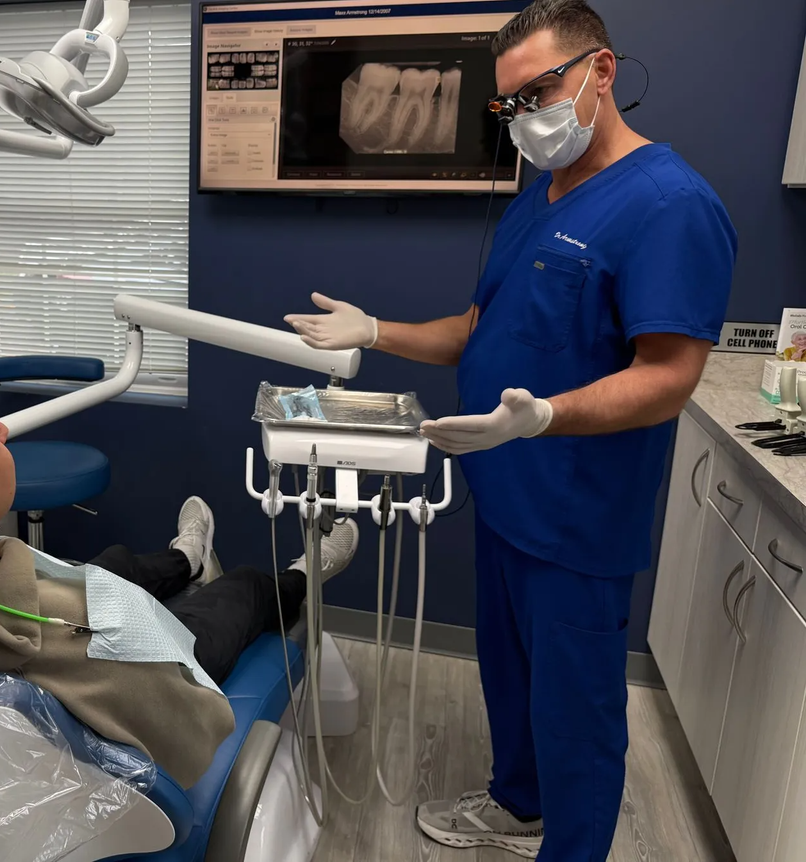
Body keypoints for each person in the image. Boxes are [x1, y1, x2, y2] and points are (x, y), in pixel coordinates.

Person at [284, 1, 736, 859]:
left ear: (601, 72)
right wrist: (376, 330)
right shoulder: (539, 198)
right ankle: (518, 805)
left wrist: (549, 417)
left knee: (577, 716)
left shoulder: (671, 204)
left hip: (576, 520)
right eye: (511, 103)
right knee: (512, 678)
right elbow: (473, 327)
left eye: (540, 90)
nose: (526, 115)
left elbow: (670, 376)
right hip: (505, 500)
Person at [0, 347, 359, 790]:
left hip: (49, 600)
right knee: (243, 590)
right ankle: (304, 572)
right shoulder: (72, 630)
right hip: (163, 649)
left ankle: (185, 556)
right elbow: (200, 732)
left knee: (111, 566)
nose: (5, 431)